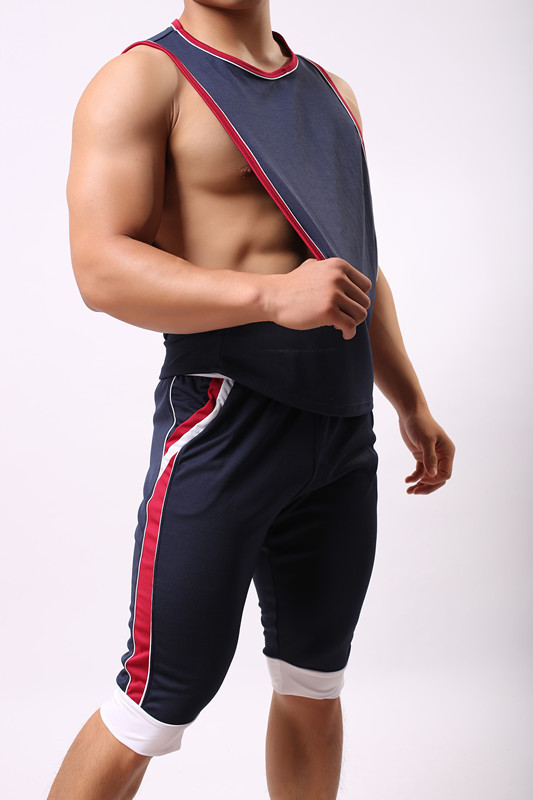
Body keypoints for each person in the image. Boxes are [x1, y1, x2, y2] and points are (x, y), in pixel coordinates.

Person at [48, 1, 455, 798]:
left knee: (313, 684)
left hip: (342, 432)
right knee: (152, 704)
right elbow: (98, 267)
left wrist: (407, 399)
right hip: (227, 419)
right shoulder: (145, 81)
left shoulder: (331, 92)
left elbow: (353, 266)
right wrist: (270, 296)